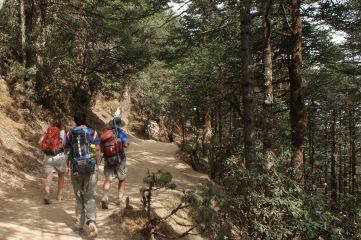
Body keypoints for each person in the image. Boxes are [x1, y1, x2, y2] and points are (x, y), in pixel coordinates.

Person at [66, 111, 101, 237]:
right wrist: (97, 164)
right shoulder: (93, 132)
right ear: (85, 119)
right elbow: (97, 150)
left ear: (75, 120)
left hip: (76, 168)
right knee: (90, 196)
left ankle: (79, 226)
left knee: (79, 197)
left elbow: (69, 150)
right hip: (91, 167)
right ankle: (91, 221)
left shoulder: (70, 133)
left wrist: (68, 166)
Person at [101, 117, 129, 209]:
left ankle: (105, 197)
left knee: (108, 179)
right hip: (120, 159)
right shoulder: (121, 133)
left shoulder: (106, 134)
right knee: (122, 179)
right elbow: (125, 144)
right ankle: (120, 199)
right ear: (120, 125)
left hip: (108, 159)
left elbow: (101, 148)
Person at [38, 117, 66, 204]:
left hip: (47, 156)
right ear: (60, 125)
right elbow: (63, 144)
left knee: (49, 175)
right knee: (61, 175)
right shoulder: (62, 132)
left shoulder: (48, 132)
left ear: (52, 124)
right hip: (59, 156)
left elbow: (39, 142)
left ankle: (47, 193)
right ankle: (59, 195)